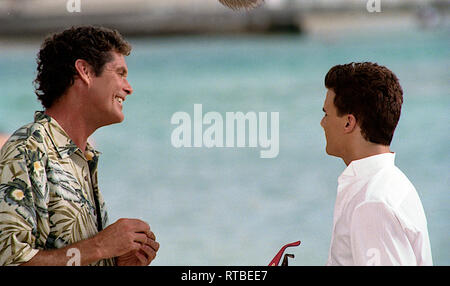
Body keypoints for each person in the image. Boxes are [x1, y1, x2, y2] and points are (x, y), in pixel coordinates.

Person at [0, 26, 159, 266]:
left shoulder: (82, 157)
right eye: (120, 73)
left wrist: (114, 262)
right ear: (84, 71)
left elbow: (73, 254)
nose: (129, 87)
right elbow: (10, 261)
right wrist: (101, 246)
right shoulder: (27, 149)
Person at [320, 62, 432, 266]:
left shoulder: (372, 203)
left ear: (348, 122)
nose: (322, 123)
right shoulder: (390, 183)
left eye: (326, 114)